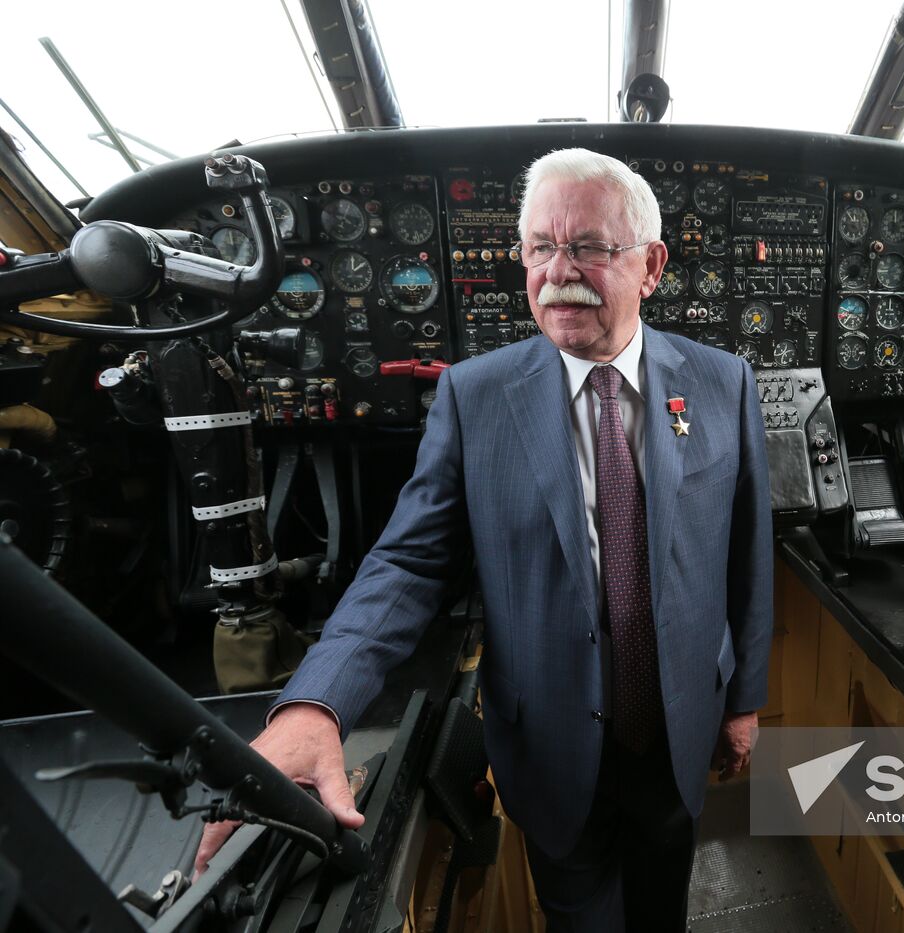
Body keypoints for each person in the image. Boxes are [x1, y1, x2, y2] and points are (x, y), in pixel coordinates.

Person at [195, 147, 774, 932]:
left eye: (591, 247)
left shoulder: (722, 381)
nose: (558, 270)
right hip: (550, 747)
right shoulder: (476, 396)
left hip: (679, 728)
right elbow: (408, 562)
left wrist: (743, 702)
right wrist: (317, 703)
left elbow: (748, 556)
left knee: (663, 898)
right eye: (540, 246)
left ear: (652, 266)